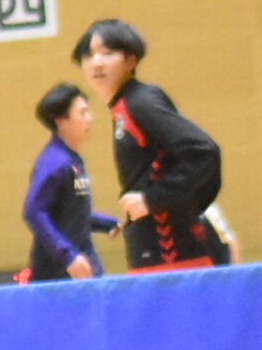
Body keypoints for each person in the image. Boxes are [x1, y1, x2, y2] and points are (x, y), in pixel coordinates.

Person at [72, 19, 223, 270]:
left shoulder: (141, 102)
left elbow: (203, 152)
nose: (96, 62)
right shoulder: (122, 107)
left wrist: (154, 200)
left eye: (107, 53)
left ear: (130, 60)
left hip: (174, 255)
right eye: (88, 55)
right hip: (152, 250)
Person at [22, 83, 115, 281]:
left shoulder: (72, 159)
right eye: (82, 112)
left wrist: (108, 224)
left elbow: (70, 212)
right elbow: (34, 211)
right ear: (61, 121)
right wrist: (67, 255)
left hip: (83, 263)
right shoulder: (55, 163)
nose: (90, 118)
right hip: (58, 273)